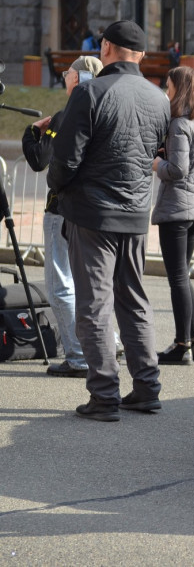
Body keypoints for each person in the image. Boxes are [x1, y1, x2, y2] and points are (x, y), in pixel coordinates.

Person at [48, 20, 171, 422]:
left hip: (93, 212)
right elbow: (154, 151)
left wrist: (59, 187)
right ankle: (147, 388)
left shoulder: (89, 91)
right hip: (136, 213)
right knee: (134, 301)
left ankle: (104, 395)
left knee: (95, 304)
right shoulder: (158, 98)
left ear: (106, 48)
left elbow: (65, 160)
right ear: (141, 54)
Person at [21, 56, 103, 378]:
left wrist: (32, 133)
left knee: (60, 286)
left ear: (78, 78)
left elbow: (40, 161)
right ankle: (107, 342)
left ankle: (78, 356)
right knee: (93, 284)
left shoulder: (67, 114)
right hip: (92, 210)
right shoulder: (102, 111)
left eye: (68, 72)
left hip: (61, 209)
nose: (64, 76)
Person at [151, 66, 194, 365]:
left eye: (169, 87)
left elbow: (177, 171)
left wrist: (156, 163)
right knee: (183, 275)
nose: (167, 92)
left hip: (176, 208)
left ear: (179, 88)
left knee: (177, 277)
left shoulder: (179, 124)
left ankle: (181, 346)